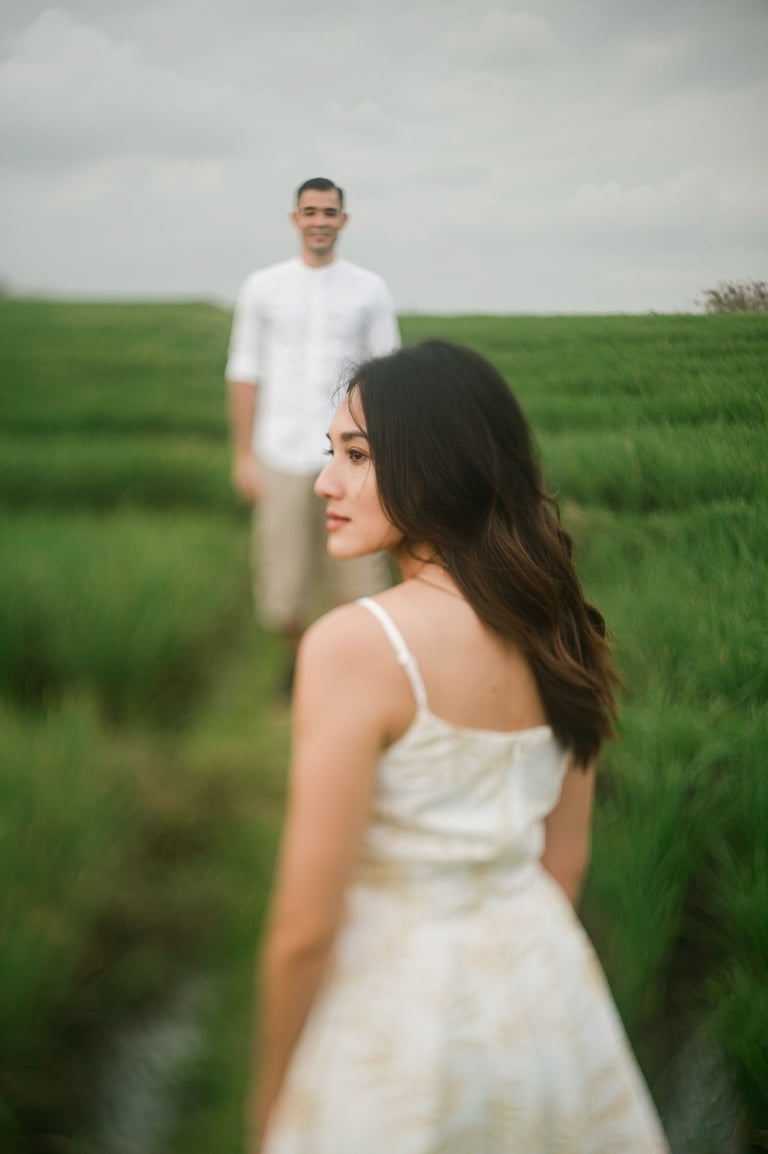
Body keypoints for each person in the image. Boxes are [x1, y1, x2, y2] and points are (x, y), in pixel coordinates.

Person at [251, 340, 670, 1153]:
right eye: (329, 454)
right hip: (543, 991)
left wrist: (269, 1103)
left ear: (438, 463)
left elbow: (306, 927)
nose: (324, 482)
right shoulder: (563, 630)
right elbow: (565, 866)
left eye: (358, 456)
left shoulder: (355, 645)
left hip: (398, 1011)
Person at [225, 177, 400, 682]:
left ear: (343, 220)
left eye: (329, 212)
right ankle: (296, 661)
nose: (319, 220)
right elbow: (244, 372)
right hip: (278, 451)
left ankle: (347, 667)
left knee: (360, 571)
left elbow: (386, 376)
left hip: (350, 458)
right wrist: (243, 455)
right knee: (284, 575)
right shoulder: (263, 287)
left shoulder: (369, 289)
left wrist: (382, 458)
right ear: (294, 219)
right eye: (310, 211)